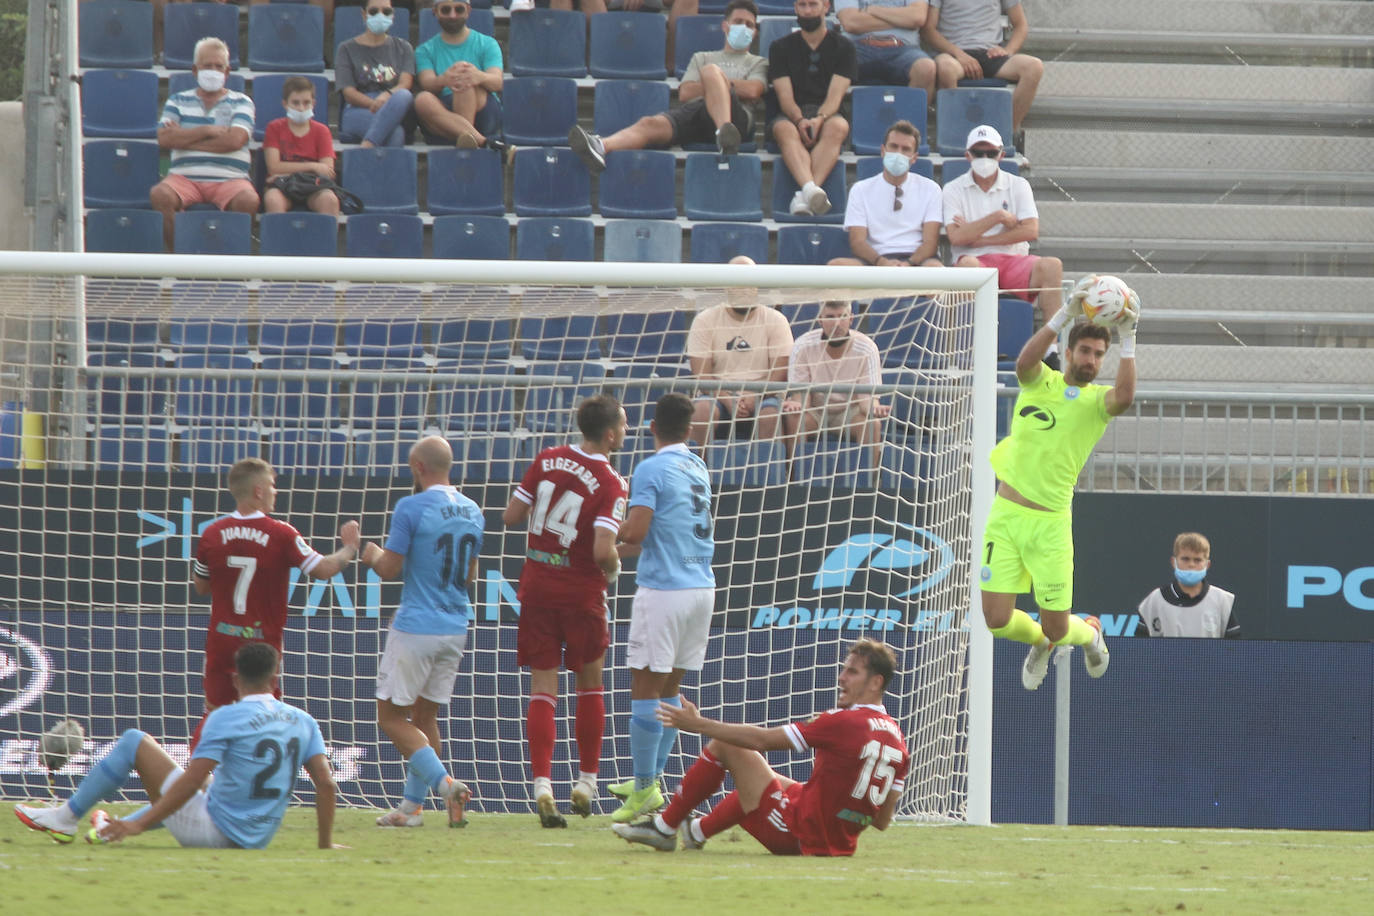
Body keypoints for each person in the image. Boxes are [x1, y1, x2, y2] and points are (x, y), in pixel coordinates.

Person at [15, 643, 341, 850]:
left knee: (134, 742)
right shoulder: (303, 720)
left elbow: (187, 785)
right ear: (275, 680)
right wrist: (325, 844)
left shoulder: (225, 716)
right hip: (259, 838)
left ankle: (65, 817)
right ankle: (104, 828)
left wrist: (138, 825)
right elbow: (326, 784)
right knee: (209, 783)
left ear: (236, 680)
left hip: (215, 835)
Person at [978, 276, 1140, 691]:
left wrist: (1129, 339)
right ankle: (1042, 645)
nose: (1091, 359)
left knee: (1057, 626)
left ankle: (1089, 633)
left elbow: (1124, 398)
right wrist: (1065, 312)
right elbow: (1022, 364)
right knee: (996, 621)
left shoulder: (1096, 403)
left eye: (1098, 354)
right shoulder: (1039, 382)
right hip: (1006, 515)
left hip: (1050, 525)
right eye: (1085, 351)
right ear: (1068, 352)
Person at [612, 638, 908, 855]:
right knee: (777, 782)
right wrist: (844, 814)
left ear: (875, 683)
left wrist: (697, 724)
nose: (842, 677)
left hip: (797, 834)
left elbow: (762, 740)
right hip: (841, 842)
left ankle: (665, 827)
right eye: (844, 670)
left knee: (728, 745)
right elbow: (881, 821)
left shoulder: (844, 722)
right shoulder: (898, 739)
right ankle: (697, 831)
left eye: (852, 672)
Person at [502, 395, 630, 828]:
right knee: (590, 684)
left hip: (537, 586)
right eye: (624, 425)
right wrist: (614, 568)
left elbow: (511, 515)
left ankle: (541, 784)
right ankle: (587, 782)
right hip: (580, 593)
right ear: (610, 434)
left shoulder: (548, 458)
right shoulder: (612, 480)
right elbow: (601, 549)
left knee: (543, 687)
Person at [192, 457, 360, 750]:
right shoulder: (281, 533)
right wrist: (349, 549)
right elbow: (322, 570)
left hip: (222, 640)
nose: (275, 492)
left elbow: (201, 587)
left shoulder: (211, 533)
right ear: (258, 491)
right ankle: (260, 785)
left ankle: (194, 786)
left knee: (214, 715)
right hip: (260, 645)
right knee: (263, 717)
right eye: (271, 485)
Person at [359, 435, 482, 827]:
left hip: (416, 626)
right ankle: (412, 809)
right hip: (454, 625)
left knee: (392, 717)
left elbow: (389, 569)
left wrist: (372, 553)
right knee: (425, 718)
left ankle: (445, 784)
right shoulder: (473, 509)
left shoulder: (410, 507)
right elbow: (469, 575)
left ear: (417, 467)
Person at [608, 393, 717, 824]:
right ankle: (648, 779)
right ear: (689, 431)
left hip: (665, 590)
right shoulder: (698, 466)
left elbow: (636, 531)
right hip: (701, 589)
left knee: (645, 689)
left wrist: (600, 532)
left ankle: (643, 789)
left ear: (652, 428)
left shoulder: (651, 467)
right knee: (670, 691)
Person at [568, 0, 767, 171]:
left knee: (710, 71)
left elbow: (753, 90)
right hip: (698, 111)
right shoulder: (702, 56)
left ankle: (726, 134)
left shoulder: (758, 62)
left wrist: (717, 83)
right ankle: (601, 145)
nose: (744, 27)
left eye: (749, 25)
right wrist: (720, 87)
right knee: (650, 123)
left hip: (737, 117)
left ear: (755, 32)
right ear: (725, 26)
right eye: (738, 22)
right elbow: (686, 92)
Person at [943, 124, 1064, 366]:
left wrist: (977, 236)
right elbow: (956, 238)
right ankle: (969, 349)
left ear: (1001, 154)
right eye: (978, 153)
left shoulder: (1018, 185)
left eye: (990, 153)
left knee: (1052, 266)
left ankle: (1051, 350)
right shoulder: (953, 189)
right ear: (968, 155)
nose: (984, 158)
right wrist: (998, 217)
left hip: (1014, 262)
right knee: (967, 267)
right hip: (974, 263)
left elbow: (1030, 230)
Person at [148, 36, 258, 250]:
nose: (213, 71)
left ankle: (232, 262)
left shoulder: (242, 102)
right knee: (159, 195)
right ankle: (179, 258)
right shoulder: (177, 101)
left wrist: (185, 139)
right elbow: (165, 138)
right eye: (207, 66)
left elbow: (235, 140)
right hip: (184, 179)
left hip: (231, 180)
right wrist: (206, 130)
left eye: (219, 66)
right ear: (195, 70)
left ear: (227, 72)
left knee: (249, 200)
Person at [685, 260, 794, 446]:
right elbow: (702, 375)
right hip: (718, 394)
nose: (743, 290)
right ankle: (697, 471)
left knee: (770, 415)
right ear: (727, 285)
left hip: (764, 395)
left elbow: (780, 373)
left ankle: (767, 474)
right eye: (737, 282)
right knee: (701, 410)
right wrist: (729, 400)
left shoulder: (776, 320)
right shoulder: (705, 320)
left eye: (748, 283)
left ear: (757, 286)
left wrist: (754, 396)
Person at [767, 0, 856, 216]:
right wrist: (799, 120)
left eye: (813, 4)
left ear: (826, 6)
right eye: (802, 5)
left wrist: (819, 118)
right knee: (784, 130)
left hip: (828, 112)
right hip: (790, 114)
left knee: (838, 127)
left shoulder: (844, 47)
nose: (807, 11)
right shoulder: (779, 47)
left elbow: (836, 95)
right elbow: (785, 96)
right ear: (796, 8)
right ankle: (810, 190)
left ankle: (802, 196)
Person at [782, 300, 891, 468]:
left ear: (851, 319)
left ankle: (868, 483)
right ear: (820, 320)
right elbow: (801, 398)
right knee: (795, 419)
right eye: (830, 317)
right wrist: (796, 405)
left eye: (842, 317)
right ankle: (794, 478)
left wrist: (874, 409)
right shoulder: (802, 346)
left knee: (872, 424)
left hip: (850, 412)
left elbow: (866, 402)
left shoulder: (867, 348)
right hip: (816, 411)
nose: (837, 323)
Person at [829, 119, 942, 267]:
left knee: (935, 268)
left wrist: (909, 263)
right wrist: (881, 262)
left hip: (917, 261)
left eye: (905, 149)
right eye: (893, 147)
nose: (898, 153)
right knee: (836, 266)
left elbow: (931, 242)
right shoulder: (860, 190)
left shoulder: (931, 189)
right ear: (883, 151)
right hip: (874, 260)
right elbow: (857, 242)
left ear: (914, 158)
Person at [921, 0, 1043, 135]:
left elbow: (1021, 25)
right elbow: (928, 30)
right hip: (954, 54)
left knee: (1034, 67)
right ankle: (955, 136)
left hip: (991, 54)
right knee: (945, 68)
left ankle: (1003, 136)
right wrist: (959, 54)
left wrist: (1008, 51)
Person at [413, 0, 507, 152]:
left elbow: (497, 82)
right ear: (435, 12)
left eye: (459, 9)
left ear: (468, 11)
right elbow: (426, 82)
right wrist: (444, 79)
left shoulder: (488, 43)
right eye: (445, 10)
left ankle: (467, 142)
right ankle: (480, 142)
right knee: (422, 99)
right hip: (444, 113)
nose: (452, 15)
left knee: (464, 82)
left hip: (482, 110)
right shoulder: (424, 50)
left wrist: (478, 76)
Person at [335, 0, 417, 148]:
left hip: (393, 105)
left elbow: (405, 83)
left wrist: (386, 96)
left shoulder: (404, 47)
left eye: (386, 12)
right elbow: (348, 92)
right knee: (396, 133)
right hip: (357, 109)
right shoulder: (346, 48)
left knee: (404, 95)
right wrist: (375, 104)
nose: (380, 16)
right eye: (373, 11)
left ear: (393, 15)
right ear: (364, 14)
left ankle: (367, 146)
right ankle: (372, 147)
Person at [1135, 532, 1240, 638]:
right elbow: (1138, 648)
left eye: (1198, 560)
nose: (1191, 564)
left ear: (1207, 565)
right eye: (1185, 559)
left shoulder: (1222, 601)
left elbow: (1234, 649)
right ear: (1173, 562)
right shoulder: (1154, 601)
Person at [262, 77, 340, 216]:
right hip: (282, 186)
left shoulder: (322, 131)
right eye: (295, 103)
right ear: (285, 104)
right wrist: (313, 166)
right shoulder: (274, 128)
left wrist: (286, 170)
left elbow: (327, 170)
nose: (301, 108)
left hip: (313, 186)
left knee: (330, 200)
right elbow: (274, 167)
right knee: (273, 199)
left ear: (313, 103)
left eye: (306, 103)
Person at [834, 0, 935, 95]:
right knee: (831, 61)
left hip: (904, 50)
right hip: (858, 48)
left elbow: (917, 17)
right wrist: (902, 21)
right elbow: (851, 23)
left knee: (926, 68)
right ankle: (831, 112)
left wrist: (873, 9)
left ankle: (910, 113)